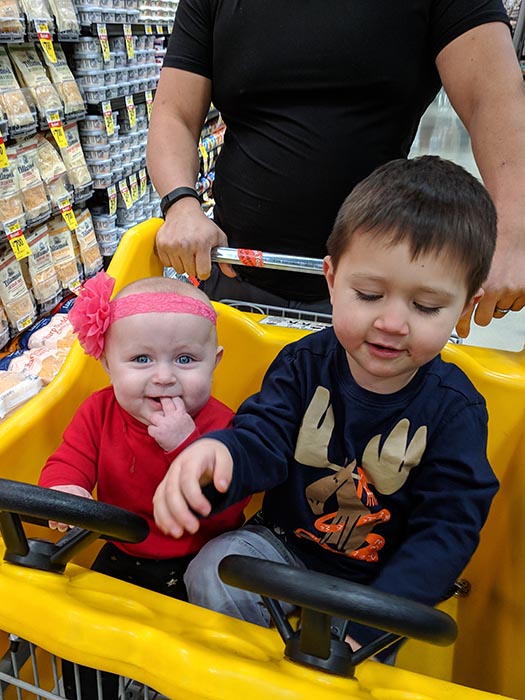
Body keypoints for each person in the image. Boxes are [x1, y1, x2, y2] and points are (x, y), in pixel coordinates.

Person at [152, 156, 499, 657]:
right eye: (369, 293)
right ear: (333, 281)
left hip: (379, 582)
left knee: (357, 657)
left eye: (425, 307)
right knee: (213, 567)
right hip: (280, 546)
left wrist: (374, 620)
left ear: (465, 309)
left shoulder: (456, 409)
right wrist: (220, 456)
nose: (392, 322)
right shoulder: (301, 364)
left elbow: (448, 528)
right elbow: (262, 437)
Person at [147, 0, 525, 337]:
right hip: (233, 274)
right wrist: (181, 205)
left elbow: (492, 98)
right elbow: (174, 114)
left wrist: (513, 232)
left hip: (380, 300)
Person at [38, 271, 248, 697]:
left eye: (185, 360)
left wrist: (187, 447)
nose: (164, 377)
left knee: (193, 659)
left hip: (201, 560)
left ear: (216, 361)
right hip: (121, 552)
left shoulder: (225, 425)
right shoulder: (97, 412)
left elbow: (228, 503)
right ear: (107, 364)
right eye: (141, 360)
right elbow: (69, 460)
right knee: (84, 640)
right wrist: (66, 489)